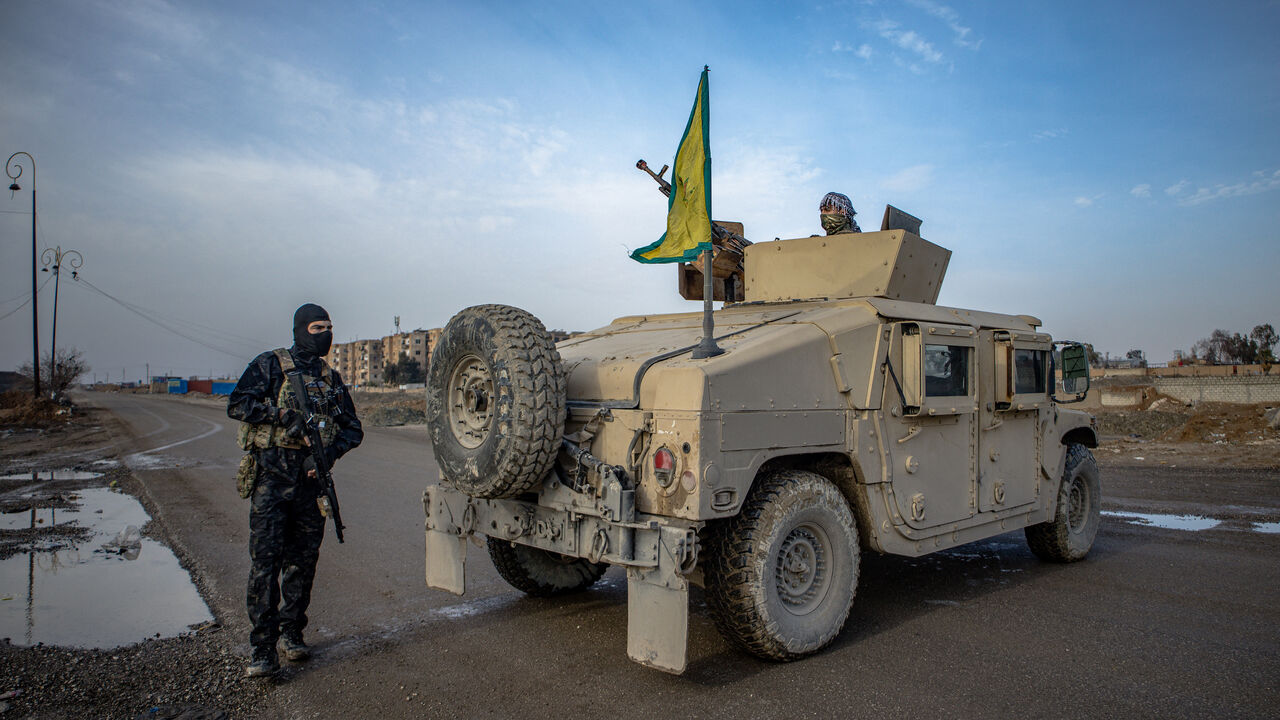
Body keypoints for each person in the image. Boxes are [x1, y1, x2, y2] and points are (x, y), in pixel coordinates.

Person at [227, 303, 363, 678]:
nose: (326, 334)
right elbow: (238, 404)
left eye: (330, 327)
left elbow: (353, 429)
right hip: (271, 480)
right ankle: (262, 650)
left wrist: (325, 457)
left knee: (302, 563)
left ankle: (292, 633)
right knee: (265, 565)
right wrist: (281, 416)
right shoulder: (271, 365)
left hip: (309, 482)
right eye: (319, 327)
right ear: (301, 329)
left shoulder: (329, 377)